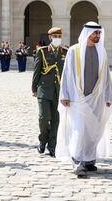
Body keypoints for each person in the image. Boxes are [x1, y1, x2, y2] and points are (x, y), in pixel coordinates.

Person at [56, 22, 112, 176]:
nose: (98, 36)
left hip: (97, 98)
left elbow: (107, 76)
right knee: (79, 129)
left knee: (92, 130)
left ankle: (89, 160)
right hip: (77, 98)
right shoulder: (74, 51)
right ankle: (77, 161)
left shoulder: (101, 51)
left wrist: (109, 95)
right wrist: (64, 95)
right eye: (95, 33)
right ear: (87, 33)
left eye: (99, 34)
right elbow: (67, 74)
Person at [32, 27, 67, 157]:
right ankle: (43, 140)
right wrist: (34, 88)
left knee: (56, 120)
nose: (57, 38)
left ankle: (52, 145)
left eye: (59, 36)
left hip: (59, 91)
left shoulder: (65, 52)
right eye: (55, 36)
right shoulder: (42, 52)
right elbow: (37, 70)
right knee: (43, 117)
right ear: (50, 37)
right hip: (43, 89)